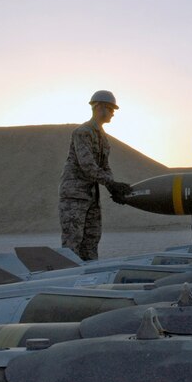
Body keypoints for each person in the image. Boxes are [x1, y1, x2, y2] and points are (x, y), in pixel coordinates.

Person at [58, 90, 132, 260]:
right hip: (74, 196)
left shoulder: (103, 139)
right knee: (72, 242)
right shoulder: (82, 132)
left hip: (91, 197)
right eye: (110, 108)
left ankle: (88, 280)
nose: (113, 113)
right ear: (98, 107)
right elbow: (87, 165)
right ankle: (69, 280)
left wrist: (113, 186)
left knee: (91, 240)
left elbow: (105, 167)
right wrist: (110, 184)